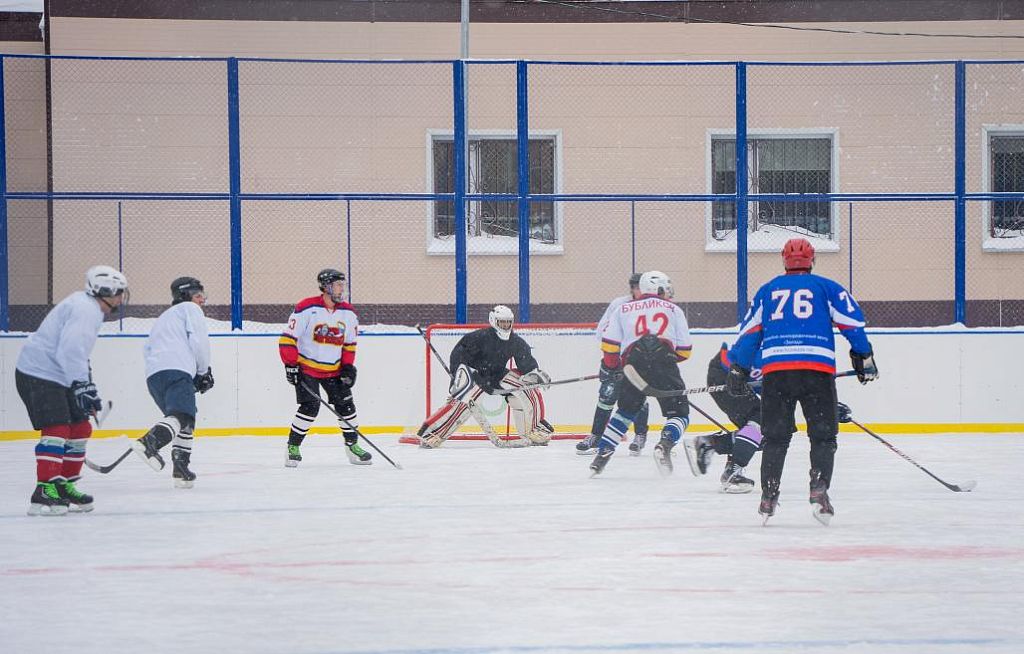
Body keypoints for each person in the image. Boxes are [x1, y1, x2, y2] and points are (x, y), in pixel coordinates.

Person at [727, 238, 878, 525]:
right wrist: (863, 357)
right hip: (816, 371)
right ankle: (819, 487)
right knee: (822, 435)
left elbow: (750, 333)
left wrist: (739, 367)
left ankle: (769, 493)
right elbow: (852, 325)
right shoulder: (827, 287)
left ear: (784, 261)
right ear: (813, 261)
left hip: (777, 373)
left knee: (775, 438)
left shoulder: (768, 290)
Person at [15, 265, 129, 515]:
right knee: (57, 428)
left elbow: (78, 354)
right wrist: (81, 385)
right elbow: (70, 351)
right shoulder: (85, 309)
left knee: (80, 427)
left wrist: (87, 386)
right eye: (119, 292)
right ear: (105, 291)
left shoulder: (91, 309)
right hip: (38, 373)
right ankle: (44, 490)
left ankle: (64, 485)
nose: (122, 297)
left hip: (59, 374)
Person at [589, 270, 693, 477]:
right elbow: (685, 350)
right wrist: (666, 363)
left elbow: (609, 345)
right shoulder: (674, 310)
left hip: (632, 363)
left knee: (625, 411)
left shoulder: (623, 309)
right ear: (659, 289)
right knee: (679, 414)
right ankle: (665, 443)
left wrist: (614, 367)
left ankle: (601, 455)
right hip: (664, 361)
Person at [417, 305, 553, 449]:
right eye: (502, 322)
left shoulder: (515, 341)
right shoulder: (479, 337)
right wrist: (458, 378)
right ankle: (432, 434)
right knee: (463, 403)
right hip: (476, 376)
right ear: (493, 321)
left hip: (497, 374)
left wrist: (534, 374)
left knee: (528, 389)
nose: (506, 326)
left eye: (508, 322)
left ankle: (534, 430)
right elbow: (458, 356)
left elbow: (525, 361)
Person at [278, 269, 370, 467]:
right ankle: (292, 446)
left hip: (334, 370)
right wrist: (291, 365)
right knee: (310, 406)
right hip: (306, 368)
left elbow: (349, 344)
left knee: (346, 407)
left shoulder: (349, 313)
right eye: (338, 285)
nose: (341, 289)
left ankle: (352, 446)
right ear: (326, 287)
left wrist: (347, 368)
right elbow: (288, 338)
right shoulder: (306, 307)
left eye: (342, 285)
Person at [131, 277, 213, 488]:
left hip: (154, 376)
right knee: (182, 416)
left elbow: (148, 349)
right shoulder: (190, 309)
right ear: (184, 296)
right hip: (176, 371)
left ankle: (181, 469)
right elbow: (199, 341)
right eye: (198, 295)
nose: (202, 299)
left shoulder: (163, 318)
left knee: (184, 419)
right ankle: (150, 442)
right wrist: (203, 372)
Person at [576, 273, 651, 457]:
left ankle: (640, 436)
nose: (638, 291)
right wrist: (612, 361)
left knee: (638, 397)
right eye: (635, 287)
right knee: (607, 395)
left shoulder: (652, 308)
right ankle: (596, 435)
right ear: (632, 288)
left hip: (640, 362)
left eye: (641, 287)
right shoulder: (619, 305)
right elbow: (603, 331)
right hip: (615, 360)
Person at [681, 343, 764, 493]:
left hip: (726, 372)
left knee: (770, 433)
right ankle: (732, 472)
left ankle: (709, 445)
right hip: (725, 372)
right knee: (764, 424)